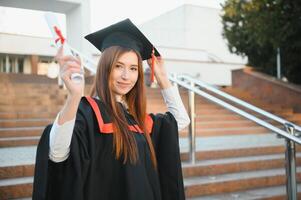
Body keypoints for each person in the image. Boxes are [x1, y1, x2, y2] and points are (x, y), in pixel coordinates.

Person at [33, 18, 190, 200]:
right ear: (105, 68)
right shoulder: (88, 112)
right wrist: (74, 97)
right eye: (118, 66)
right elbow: (57, 154)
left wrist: (162, 77)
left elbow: (181, 121)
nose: (126, 76)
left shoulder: (138, 119)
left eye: (133, 69)